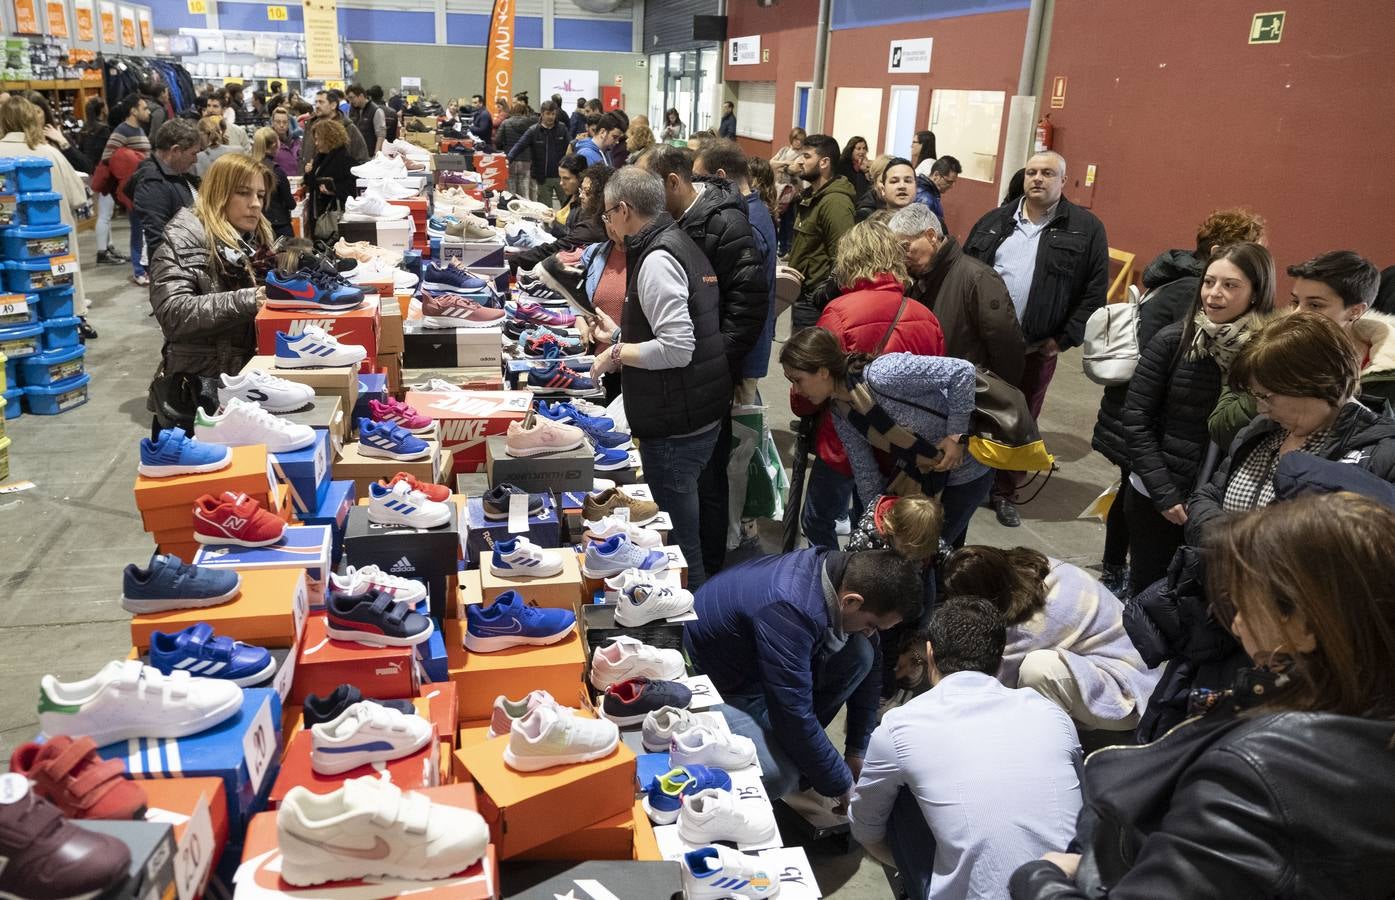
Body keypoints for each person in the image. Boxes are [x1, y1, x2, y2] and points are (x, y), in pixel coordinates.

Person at [1013, 490, 1395, 899]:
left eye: (1245, 602)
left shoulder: (1257, 772)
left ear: (1304, 623)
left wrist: (1043, 879)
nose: (1238, 623)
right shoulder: (1365, 719)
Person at [850, 597, 1082, 900]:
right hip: (1069, 888)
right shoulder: (1052, 715)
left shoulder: (901, 725)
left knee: (897, 794)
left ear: (930, 653)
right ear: (1000, 658)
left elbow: (865, 828)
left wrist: (910, 865)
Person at [1090, 208, 1267, 593]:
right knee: (1149, 589)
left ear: (1256, 291)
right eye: (1209, 282)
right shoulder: (1176, 339)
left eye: (1230, 286)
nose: (1214, 294)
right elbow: (1135, 417)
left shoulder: (1264, 353)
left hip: (1221, 501)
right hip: (1160, 493)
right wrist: (1164, 492)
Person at [583, 168, 731, 589]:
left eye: (608, 214)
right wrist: (618, 334)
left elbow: (677, 347)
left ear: (624, 210)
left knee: (679, 543)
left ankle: (695, 630)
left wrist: (615, 353)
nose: (606, 224)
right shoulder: (676, 240)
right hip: (693, 408)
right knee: (688, 528)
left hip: (675, 423)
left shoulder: (657, 259)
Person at [685, 547, 924, 801]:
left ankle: (803, 752)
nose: (870, 632)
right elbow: (792, 713)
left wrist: (857, 749)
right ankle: (700, 802)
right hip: (714, 681)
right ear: (851, 601)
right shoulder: (790, 610)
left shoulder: (838, 571)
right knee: (778, 776)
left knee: (862, 653)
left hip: (753, 664)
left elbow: (872, 661)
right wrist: (842, 785)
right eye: (871, 625)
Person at [642, 143, 770, 579]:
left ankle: (709, 574)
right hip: (693, 375)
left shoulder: (726, 223)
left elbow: (749, 307)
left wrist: (715, 361)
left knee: (710, 479)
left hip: (710, 375)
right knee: (697, 476)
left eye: (650, 189)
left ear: (673, 183)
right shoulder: (686, 221)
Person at [964, 151, 1109, 527]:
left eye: (1047, 173)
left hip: (1036, 347)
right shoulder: (994, 221)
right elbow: (964, 273)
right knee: (973, 410)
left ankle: (1004, 491)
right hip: (984, 345)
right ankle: (969, 479)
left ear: (1064, 180)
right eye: (1031, 172)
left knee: (1020, 417)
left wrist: (1062, 340)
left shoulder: (1085, 228)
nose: (1037, 179)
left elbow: (1094, 292)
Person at [791, 221, 945, 552]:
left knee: (818, 519)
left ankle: (830, 577)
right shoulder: (925, 316)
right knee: (879, 525)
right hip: (901, 446)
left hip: (844, 442)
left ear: (848, 259)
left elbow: (812, 376)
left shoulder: (839, 312)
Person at [1186, 311, 1395, 543]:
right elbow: (1208, 495)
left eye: (1266, 396)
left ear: (1316, 382)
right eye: (1255, 396)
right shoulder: (1262, 431)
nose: (1261, 408)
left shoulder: (1379, 453)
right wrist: (1230, 541)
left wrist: (1254, 547)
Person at [781, 327, 991, 550]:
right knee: (915, 555)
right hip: (921, 480)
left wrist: (956, 434)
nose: (796, 390)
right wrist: (878, 520)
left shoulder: (883, 373)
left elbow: (962, 371)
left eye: (798, 380)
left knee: (930, 555)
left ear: (823, 371)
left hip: (966, 475)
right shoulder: (841, 411)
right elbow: (865, 473)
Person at [942, 545, 1159, 732]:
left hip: (1129, 694)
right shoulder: (1035, 568)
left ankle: (1051, 739)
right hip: (1126, 666)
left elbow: (987, 685)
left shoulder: (1035, 625)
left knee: (1037, 671)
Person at [147, 154, 272, 428]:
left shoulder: (251, 240)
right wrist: (249, 299)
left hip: (241, 385)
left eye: (260, 195)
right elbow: (174, 313)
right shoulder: (183, 241)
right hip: (197, 395)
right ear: (219, 192)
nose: (255, 204)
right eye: (243, 193)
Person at [890, 203, 1025, 384]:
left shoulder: (978, 278)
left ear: (931, 236)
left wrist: (993, 395)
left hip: (969, 394)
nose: (901, 256)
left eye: (905, 247)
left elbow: (1007, 348)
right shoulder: (916, 278)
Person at [0, 97, 94, 331]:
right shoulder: (50, 154)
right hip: (55, 247)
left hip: (10, 252)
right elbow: (79, 198)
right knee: (59, 301)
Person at [1283, 250, 1393, 409]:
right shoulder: (1278, 352)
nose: (1295, 314)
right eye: (1295, 301)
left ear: (1356, 311)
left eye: (1315, 305)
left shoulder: (1387, 369)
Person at [789, 134, 858, 327]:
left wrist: (823, 295)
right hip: (802, 296)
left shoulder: (835, 202)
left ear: (824, 162)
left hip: (816, 302)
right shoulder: (812, 196)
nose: (800, 161)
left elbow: (844, 256)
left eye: (807, 156)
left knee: (808, 357)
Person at [131, 118, 202, 258]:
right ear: (175, 150)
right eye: (193, 154)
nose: (195, 160)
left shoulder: (176, 174)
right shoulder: (152, 183)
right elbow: (159, 241)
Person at [100, 96, 153, 285]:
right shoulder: (122, 131)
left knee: (146, 230)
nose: (148, 111)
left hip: (144, 186)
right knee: (138, 230)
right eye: (144, 108)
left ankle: (144, 267)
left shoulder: (138, 129)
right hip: (133, 189)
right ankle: (139, 270)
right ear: (133, 110)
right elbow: (107, 156)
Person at [508, 100, 572, 209]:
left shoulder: (562, 129)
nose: (551, 117)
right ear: (542, 113)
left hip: (561, 176)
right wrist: (508, 158)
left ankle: (565, 226)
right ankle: (547, 226)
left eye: (553, 114)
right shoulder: (533, 131)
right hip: (542, 178)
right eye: (548, 113)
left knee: (567, 207)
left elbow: (571, 145)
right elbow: (520, 145)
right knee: (545, 209)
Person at [307, 118, 357, 230]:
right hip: (319, 217)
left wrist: (334, 190)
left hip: (334, 218)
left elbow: (352, 189)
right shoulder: (319, 158)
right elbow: (312, 183)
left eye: (318, 140)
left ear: (329, 139)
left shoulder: (345, 160)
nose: (316, 144)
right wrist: (309, 173)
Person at [299, 90, 367, 171]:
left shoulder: (348, 128)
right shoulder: (310, 126)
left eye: (321, 102)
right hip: (310, 179)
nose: (317, 106)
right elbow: (303, 155)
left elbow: (362, 158)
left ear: (333, 105)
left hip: (338, 181)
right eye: (316, 102)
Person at [251, 127, 294, 239]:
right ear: (275, 144)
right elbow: (291, 203)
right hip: (279, 226)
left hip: (255, 225)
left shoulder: (248, 169)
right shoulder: (276, 171)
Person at [771, 127, 805, 257]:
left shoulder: (802, 155)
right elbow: (771, 163)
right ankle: (781, 246)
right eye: (796, 139)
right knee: (779, 219)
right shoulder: (784, 150)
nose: (798, 143)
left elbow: (794, 170)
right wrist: (786, 162)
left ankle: (788, 248)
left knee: (789, 222)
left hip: (793, 194)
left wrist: (782, 167)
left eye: (801, 140)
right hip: (780, 192)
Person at [494, 100, 535, 199]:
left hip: (510, 158)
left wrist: (503, 147)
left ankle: (511, 206)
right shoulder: (531, 124)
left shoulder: (505, 123)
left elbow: (497, 140)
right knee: (524, 190)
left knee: (510, 189)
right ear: (525, 111)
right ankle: (525, 208)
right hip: (526, 160)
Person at [856, 155, 916, 222]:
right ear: (874, 182)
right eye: (894, 181)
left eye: (907, 181)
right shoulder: (866, 213)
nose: (901, 185)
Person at [915, 155, 960, 232]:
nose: (952, 186)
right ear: (936, 175)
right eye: (949, 182)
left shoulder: (924, 192)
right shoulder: (926, 199)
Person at [345, 83, 386, 155]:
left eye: (352, 98)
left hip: (369, 154)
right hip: (355, 154)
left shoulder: (376, 111)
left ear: (361, 96)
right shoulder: (351, 110)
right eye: (349, 98)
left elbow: (380, 135)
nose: (350, 101)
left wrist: (376, 155)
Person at [269, 107, 301, 179]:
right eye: (278, 122)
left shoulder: (297, 142)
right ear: (273, 123)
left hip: (298, 183)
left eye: (284, 122)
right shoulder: (269, 144)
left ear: (288, 123)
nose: (281, 125)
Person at [836, 135, 870, 200]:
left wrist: (866, 171)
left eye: (864, 148)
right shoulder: (842, 163)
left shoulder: (866, 165)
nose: (862, 152)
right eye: (858, 149)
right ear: (851, 149)